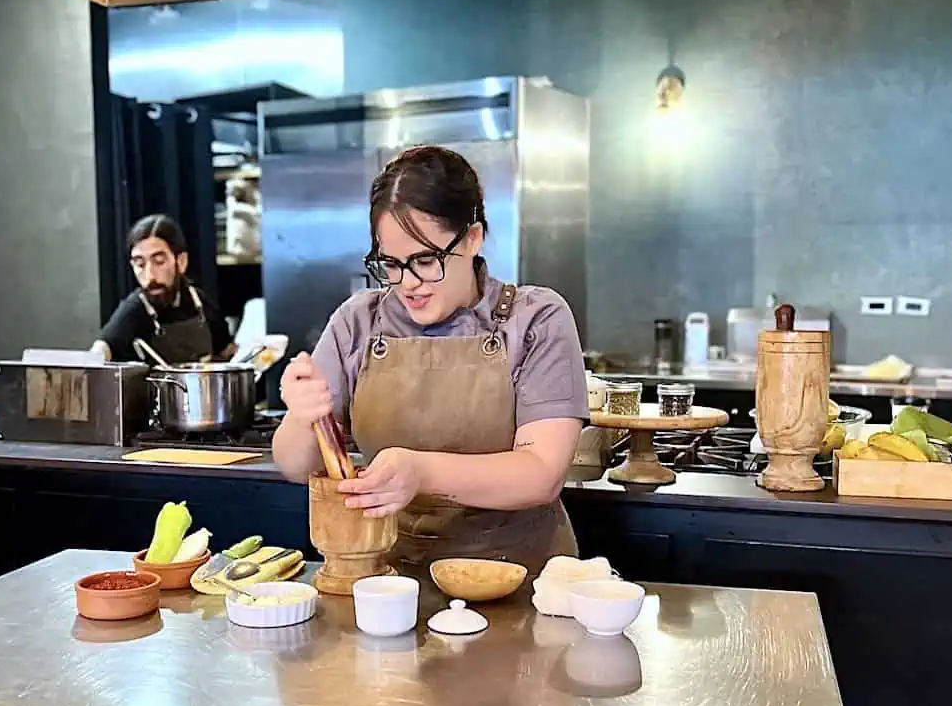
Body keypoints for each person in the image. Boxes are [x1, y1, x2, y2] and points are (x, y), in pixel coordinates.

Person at [273, 145, 585, 575]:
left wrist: (420, 472)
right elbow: (293, 465)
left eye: (425, 260)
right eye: (390, 264)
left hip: (516, 580)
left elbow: (540, 474)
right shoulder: (357, 322)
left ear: (472, 238)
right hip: (388, 581)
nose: (408, 283)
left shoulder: (536, 318)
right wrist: (301, 416)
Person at [92, 214, 234, 364]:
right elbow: (102, 349)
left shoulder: (198, 302)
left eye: (159, 262)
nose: (150, 275)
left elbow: (227, 351)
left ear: (181, 261)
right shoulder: (135, 309)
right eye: (140, 264)